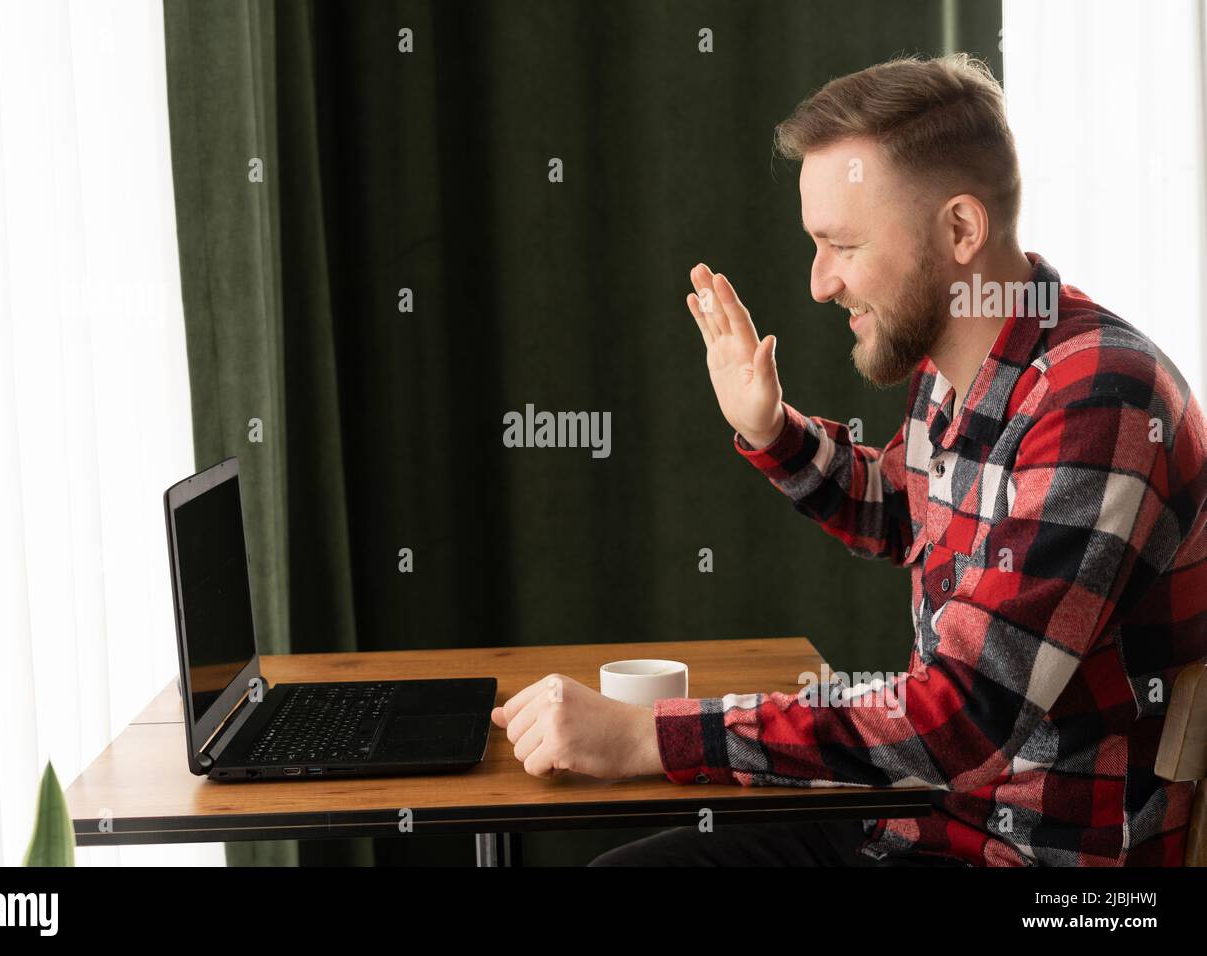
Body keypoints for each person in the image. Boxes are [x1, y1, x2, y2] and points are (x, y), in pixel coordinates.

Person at [490, 53, 1207, 866]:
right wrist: (772, 431)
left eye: (843, 246)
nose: (819, 284)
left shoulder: (1100, 401)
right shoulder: (961, 358)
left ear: (962, 230)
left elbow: (961, 720)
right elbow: (902, 508)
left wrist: (650, 737)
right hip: (914, 823)